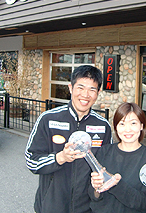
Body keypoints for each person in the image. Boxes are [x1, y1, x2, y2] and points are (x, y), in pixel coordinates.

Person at [25, 65, 112, 213]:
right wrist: (60, 157)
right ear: (70, 88)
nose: (85, 95)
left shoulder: (103, 126)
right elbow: (31, 161)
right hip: (51, 207)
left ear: (98, 93)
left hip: (87, 208)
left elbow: (106, 167)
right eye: (80, 87)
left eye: (92, 89)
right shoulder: (48, 119)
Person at [89, 102, 146, 213]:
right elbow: (93, 195)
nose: (127, 129)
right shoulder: (104, 152)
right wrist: (96, 188)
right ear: (116, 127)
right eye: (122, 124)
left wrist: (116, 185)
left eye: (133, 123)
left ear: (141, 126)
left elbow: (144, 202)